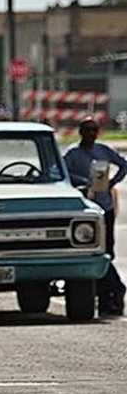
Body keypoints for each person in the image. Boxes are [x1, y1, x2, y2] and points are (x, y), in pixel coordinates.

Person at [64, 117, 127, 316]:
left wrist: (111, 182)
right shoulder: (72, 154)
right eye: (87, 130)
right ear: (80, 132)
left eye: (94, 130)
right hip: (85, 212)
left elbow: (124, 165)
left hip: (105, 207)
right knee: (91, 252)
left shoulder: (103, 150)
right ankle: (109, 290)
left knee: (107, 251)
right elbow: (61, 173)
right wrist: (82, 181)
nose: (90, 134)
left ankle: (112, 290)